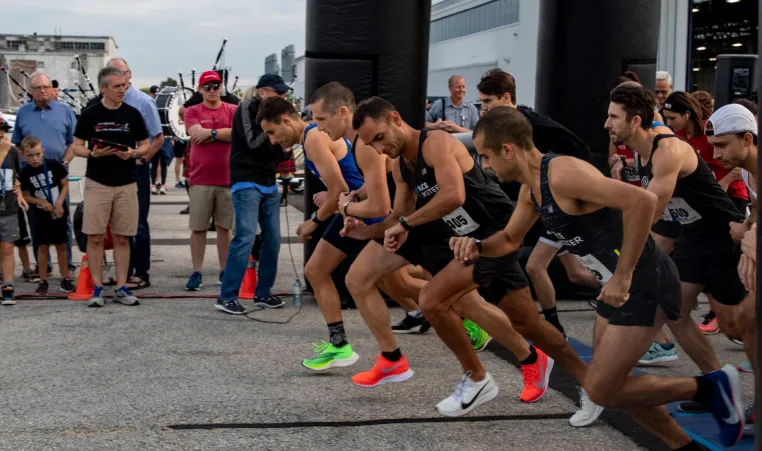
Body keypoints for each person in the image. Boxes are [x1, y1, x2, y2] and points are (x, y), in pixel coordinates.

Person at [460, 105, 745, 449]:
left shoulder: (563, 173)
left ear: (508, 149)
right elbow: (508, 240)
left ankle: (712, 387)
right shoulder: (530, 189)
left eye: (487, 157)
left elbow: (641, 201)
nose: (485, 166)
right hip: (617, 288)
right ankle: (682, 445)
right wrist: (475, 245)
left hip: (643, 280)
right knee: (615, 388)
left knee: (601, 388)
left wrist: (622, 275)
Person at [342, 96, 568, 418]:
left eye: (379, 137)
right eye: (370, 144)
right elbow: (401, 213)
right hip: (452, 236)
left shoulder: (435, 143)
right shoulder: (399, 165)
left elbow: (453, 195)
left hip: (494, 231)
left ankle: (497, 372)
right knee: (367, 278)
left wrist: (405, 224)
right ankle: (395, 358)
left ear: (395, 119)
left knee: (515, 317)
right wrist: (365, 232)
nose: (378, 148)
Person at [610, 82, 752, 418]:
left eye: (613, 116)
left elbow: (652, 210)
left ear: (634, 120)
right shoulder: (638, 150)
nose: (606, 124)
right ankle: (718, 384)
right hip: (692, 238)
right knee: (676, 312)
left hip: (722, 238)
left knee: (737, 325)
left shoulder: (668, 150)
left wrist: (625, 268)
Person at [266, 82, 426, 370]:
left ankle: (452, 312)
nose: (319, 126)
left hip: (367, 214)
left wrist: (319, 218)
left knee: (389, 281)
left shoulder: (318, 139)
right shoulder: (332, 139)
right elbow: (347, 187)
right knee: (328, 272)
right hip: (356, 210)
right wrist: (345, 199)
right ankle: (349, 346)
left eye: (271, 132)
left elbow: (352, 191)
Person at [476, 68, 596, 337]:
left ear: (506, 98)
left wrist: (556, 181)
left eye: (487, 101)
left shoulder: (532, 122)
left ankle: (553, 325)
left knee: (534, 265)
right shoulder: (502, 127)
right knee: (574, 273)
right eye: (481, 102)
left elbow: (580, 149)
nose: (483, 109)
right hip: (533, 205)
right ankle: (615, 292)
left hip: (555, 206)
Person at [70, 66, 151, 308]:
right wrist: (92, 153)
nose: (122, 90)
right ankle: (97, 288)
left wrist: (134, 153)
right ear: (103, 88)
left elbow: (146, 145)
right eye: (116, 86)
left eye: (124, 86)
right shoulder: (90, 114)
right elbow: (76, 147)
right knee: (94, 237)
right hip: (98, 183)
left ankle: (121, 287)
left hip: (126, 183)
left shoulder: (133, 114)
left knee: (123, 237)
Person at [215, 74, 291, 314]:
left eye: (283, 93)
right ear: (262, 92)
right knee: (245, 237)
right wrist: (275, 135)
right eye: (278, 93)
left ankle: (264, 292)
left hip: (268, 180)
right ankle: (227, 296)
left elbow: (282, 154)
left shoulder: (278, 115)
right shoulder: (247, 107)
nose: (283, 97)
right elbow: (252, 142)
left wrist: (284, 144)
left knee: (273, 239)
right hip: (246, 179)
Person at [707, 104, 758, 419]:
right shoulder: (750, 171)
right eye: (714, 146)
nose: (717, 155)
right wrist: (748, 226)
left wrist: (753, 236)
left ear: (748, 139)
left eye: (723, 145)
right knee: (749, 317)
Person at [11, 72, 77, 278]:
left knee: (61, 218)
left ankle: (68, 267)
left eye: (46, 87)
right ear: (30, 91)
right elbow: (17, 143)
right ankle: (44, 266)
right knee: (36, 222)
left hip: (57, 175)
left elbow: (74, 141)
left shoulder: (65, 111)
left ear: (52, 88)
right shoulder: (22, 113)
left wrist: (64, 163)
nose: (42, 91)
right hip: (31, 176)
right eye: (37, 88)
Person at [182, 71, 237, 291]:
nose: (212, 90)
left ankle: (225, 270)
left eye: (216, 86)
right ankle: (197, 271)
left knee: (225, 228)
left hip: (228, 178)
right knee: (198, 227)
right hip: (200, 178)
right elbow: (195, 134)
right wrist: (220, 133)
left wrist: (211, 133)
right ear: (200, 89)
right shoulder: (192, 110)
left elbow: (237, 134)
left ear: (221, 87)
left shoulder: (233, 109)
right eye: (208, 87)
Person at [19, 136, 75, 294]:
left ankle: (65, 278)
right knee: (42, 246)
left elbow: (65, 185)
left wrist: (59, 203)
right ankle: (43, 280)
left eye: (37, 154)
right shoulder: (26, 172)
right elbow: (25, 195)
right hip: (41, 214)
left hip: (58, 211)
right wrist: (40, 202)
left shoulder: (53, 165)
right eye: (30, 155)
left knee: (62, 245)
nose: (35, 158)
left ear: (43, 152)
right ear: (23, 155)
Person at [0, 121, 28, 304]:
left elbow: (17, 177)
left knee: (8, 246)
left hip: (8, 205)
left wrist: (20, 194)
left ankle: (8, 285)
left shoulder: (12, 152)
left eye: (2, 132)